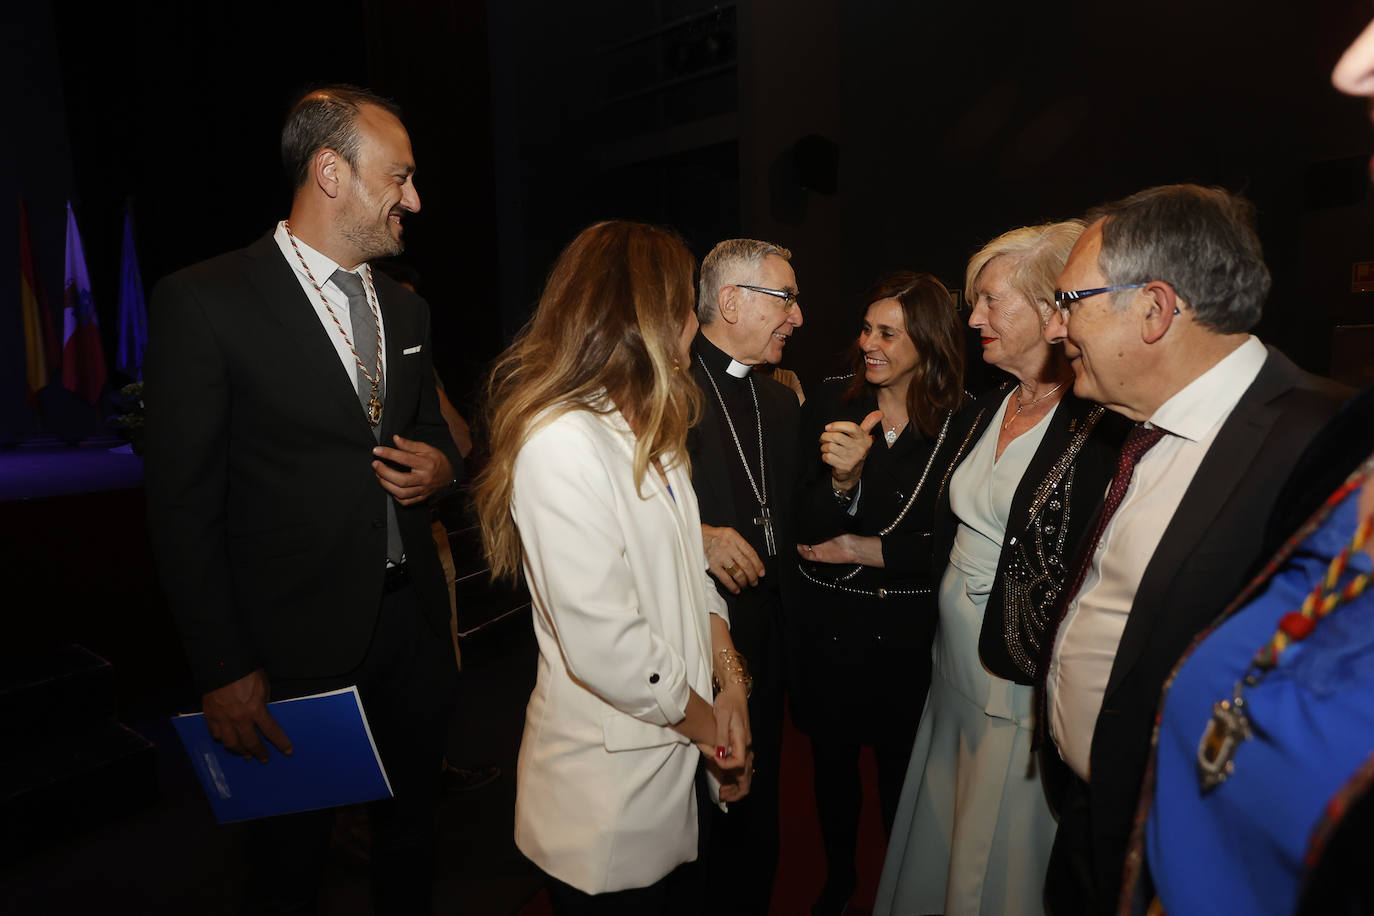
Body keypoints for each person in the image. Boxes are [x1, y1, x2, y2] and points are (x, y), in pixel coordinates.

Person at [143, 85, 462, 914]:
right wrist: (222, 667)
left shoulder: (407, 305)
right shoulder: (206, 300)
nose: (414, 201)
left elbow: (440, 432)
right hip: (289, 649)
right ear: (330, 173)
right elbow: (182, 504)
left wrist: (444, 467)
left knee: (414, 841)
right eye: (400, 178)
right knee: (290, 864)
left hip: (413, 631)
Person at [1110, 26, 1374, 916]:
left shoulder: (1312, 427)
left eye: (1068, 302)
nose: (1353, 64)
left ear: (1154, 308)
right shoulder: (1358, 448)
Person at [1037, 184, 1349, 915]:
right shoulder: (1135, 424)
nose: (1056, 330)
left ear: (1153, 308)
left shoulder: (1327, 446)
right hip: (1086, 820)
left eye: (1069, 301)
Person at [472, 220, 752, 913]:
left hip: (674, 753)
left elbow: (692, 577)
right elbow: (606, 645)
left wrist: (730, 681)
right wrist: (714, 730)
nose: (696, 322)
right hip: (606, 797)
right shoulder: (560, 442)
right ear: (649, 316)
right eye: (688, 305)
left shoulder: (651, 433)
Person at [874, 220, 1126, 916]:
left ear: (1053, 313)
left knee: (998, 853)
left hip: (1019, 676)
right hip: (951, 665)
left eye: (990, 300)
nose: (973, 317)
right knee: (947, 824)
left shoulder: (1097, 425)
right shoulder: (985, 408)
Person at [790, 272, 966, 916]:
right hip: (831, 633)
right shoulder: (833, 401)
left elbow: (961, 543)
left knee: (904, 779)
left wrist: (867, 548)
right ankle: (839, 880)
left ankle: (901, 890)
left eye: (888, 333)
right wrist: (845, 482)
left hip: (908, 639)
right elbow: (804, 530)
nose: (869, 343)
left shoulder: (964, 420)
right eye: (867, 329)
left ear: (928, 341)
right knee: (832, 775)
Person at [689, 237, 803, 914]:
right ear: (732, 301)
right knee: (705, 817)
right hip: (695, 637)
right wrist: (694, 537)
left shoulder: (780, 403)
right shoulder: (665, 391)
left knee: (761, 806)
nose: (799, 316)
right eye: (785, 298)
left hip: (769, 635)